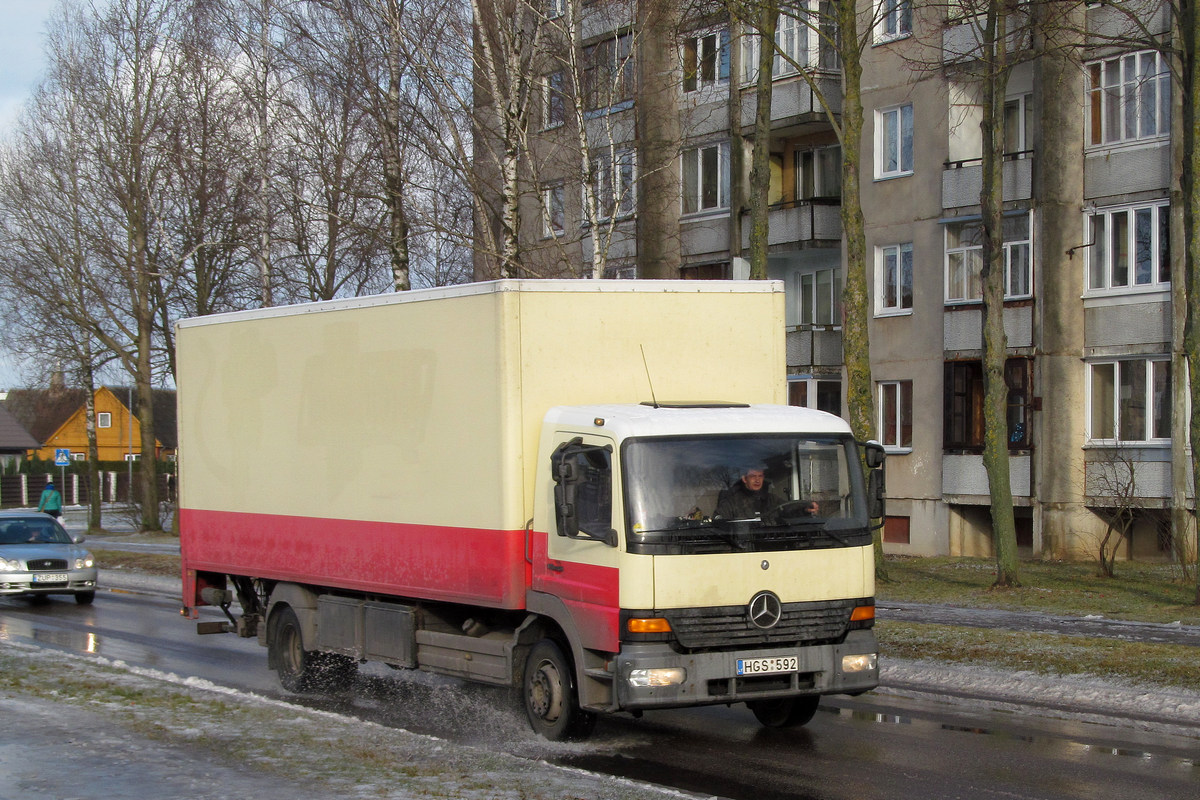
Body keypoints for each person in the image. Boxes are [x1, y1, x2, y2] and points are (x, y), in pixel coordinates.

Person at [714, 467, 779, 520]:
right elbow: (719, 522)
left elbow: (788, 510)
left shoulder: (772, 499)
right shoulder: (732, 502)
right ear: (744, 479)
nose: (757, 480)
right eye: (753, 476)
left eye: (760, 476)